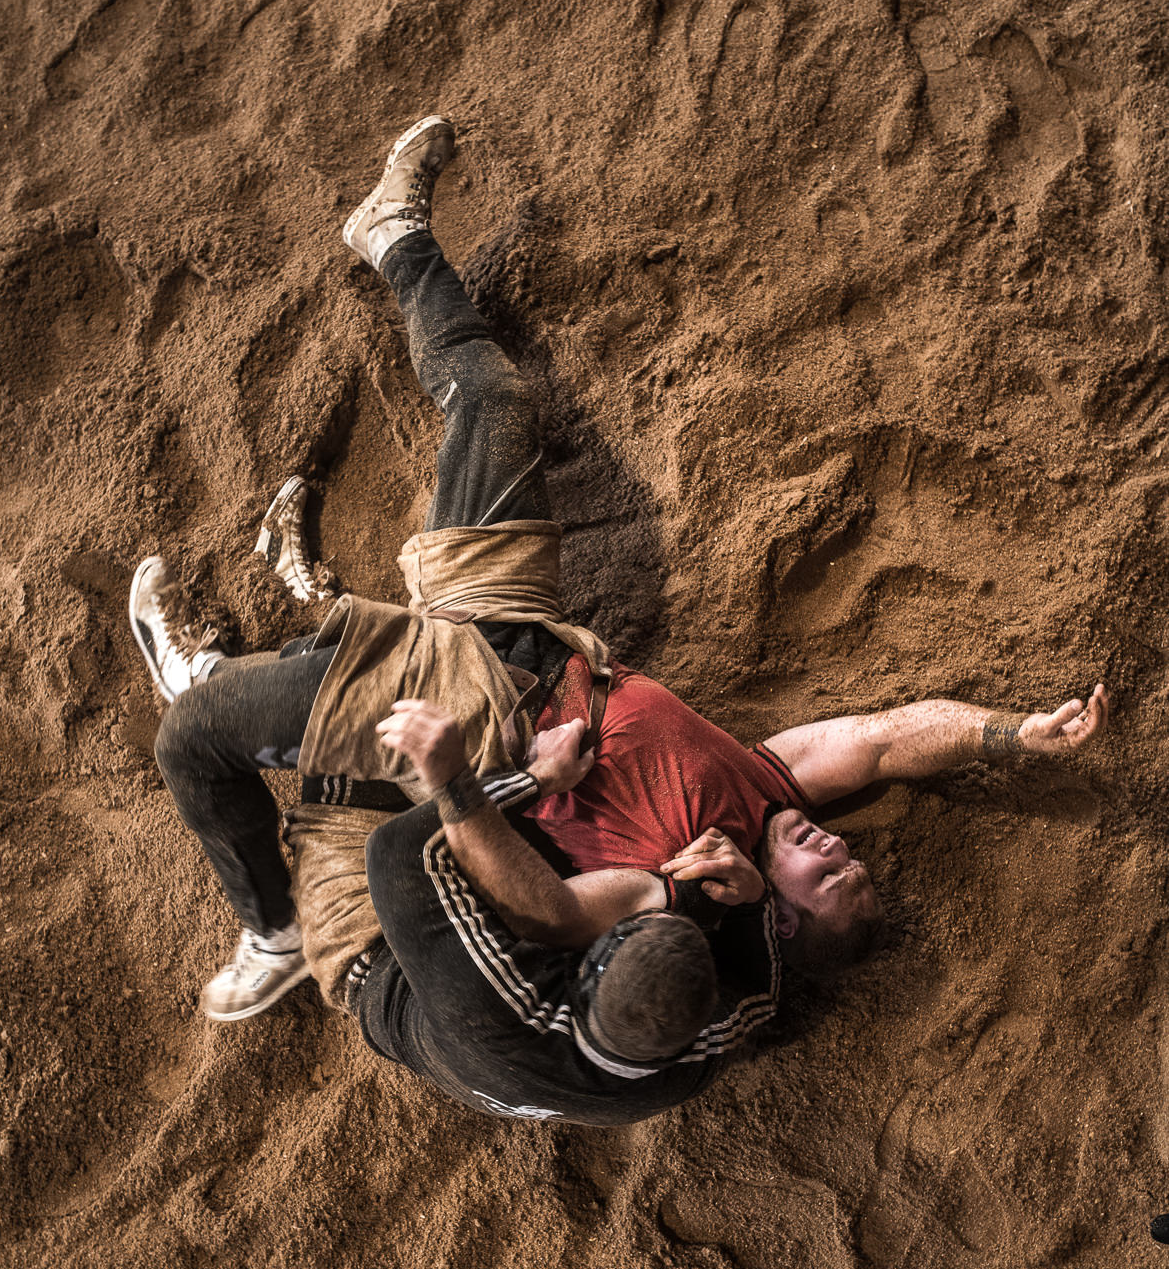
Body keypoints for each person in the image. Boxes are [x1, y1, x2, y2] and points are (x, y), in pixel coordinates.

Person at [129, 114, 1107, 1058]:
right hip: (529, 630)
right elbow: (886, 737)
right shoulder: (770, 787)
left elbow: (529, 905)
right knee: (496, 401)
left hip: (468, 710)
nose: (835, 850)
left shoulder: (654, 893)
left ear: (777, 913)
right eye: (852, 858)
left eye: (827, 877)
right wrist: (1007, 732)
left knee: (208, 725)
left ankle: (264, 904)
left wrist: (489, 787)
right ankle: (392, 237)